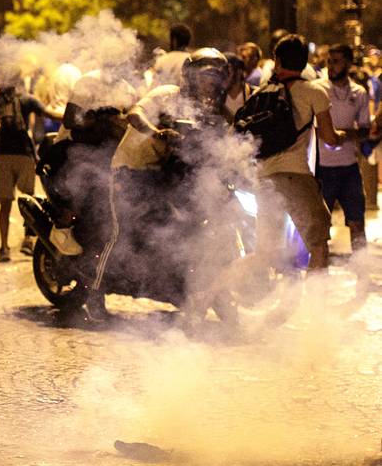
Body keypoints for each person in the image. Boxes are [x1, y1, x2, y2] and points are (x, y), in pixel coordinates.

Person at [97, 49, 231, 318]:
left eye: (217, 76)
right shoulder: (167, 95)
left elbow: (227, 136)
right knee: (120, 233)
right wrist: (156, 132)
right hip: (132, 171)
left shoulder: (209, 111)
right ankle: (93, 293)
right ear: (190, 76)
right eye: (207, 75)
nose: (212, 82)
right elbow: (134, 114)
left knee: (188, 230)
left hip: (165, 175)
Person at [249, 34, 343, 272]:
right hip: (296, 176)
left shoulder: (261, 93)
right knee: (319, 246)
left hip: (264, 179)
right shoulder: (314, 91)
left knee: (263, 255)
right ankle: (312, 306)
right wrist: (343, 136)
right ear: (304, 61)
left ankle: (211, 290)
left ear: (277, 61)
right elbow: (329, 139)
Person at [0, 64, 62, 262]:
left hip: (1, 156)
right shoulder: (27, 99)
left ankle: (4, 248)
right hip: (24, 155)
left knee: (5, 204)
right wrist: (72, 115)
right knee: (30, 200)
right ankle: (28, 241)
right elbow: (50, 114)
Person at [316, 44, 371, 253]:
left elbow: (365, 129)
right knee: (320, 227)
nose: (331, 65)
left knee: (356, 223)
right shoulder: (318, 88)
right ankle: (318, 275)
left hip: (349, 168)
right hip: (322, 167)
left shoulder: (359, 92)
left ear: (348, 63)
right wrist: (327, 133)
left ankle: (362, 273)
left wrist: (345, 135)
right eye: (329, 61)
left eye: (337, 61)